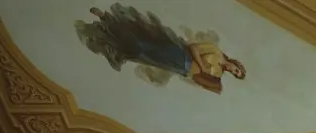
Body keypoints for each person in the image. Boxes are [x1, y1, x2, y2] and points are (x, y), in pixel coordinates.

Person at [76, 4, 246, 93]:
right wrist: (202, 66)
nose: (233, 72)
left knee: (139, 53)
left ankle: (108, 32)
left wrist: (206, 81)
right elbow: (193, 47)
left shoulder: (217, 75)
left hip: (179, 68)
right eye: (237, 70)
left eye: (236, 75)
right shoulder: (216, 52)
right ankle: (108, 18)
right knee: (142, 45)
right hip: (181, 55)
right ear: (236, 64)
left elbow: (197, 79)